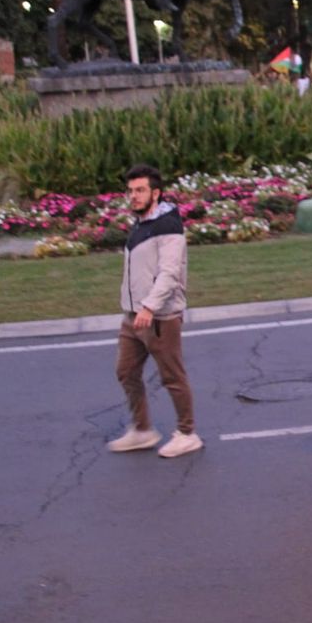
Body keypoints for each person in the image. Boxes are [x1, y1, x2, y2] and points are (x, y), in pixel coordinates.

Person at [109, 164, 201, 458]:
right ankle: (142, 430)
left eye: (140, 190)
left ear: (156, 193)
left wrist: (149, 306)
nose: (133, 196)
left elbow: (169, 273)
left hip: (160, 317)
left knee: (172, 376)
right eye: (131, 190)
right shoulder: (141, 222)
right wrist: (134, 308)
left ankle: (187, 434)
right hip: (133, 315)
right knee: (125, 372)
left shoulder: (168, 227)